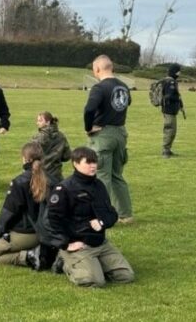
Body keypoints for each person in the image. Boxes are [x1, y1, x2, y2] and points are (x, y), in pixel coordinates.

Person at [46, 147, 135, 288]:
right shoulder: (64, 189)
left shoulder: (99, 186)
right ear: (75, 163)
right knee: (94, 281)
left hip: (100, 242)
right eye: (88, 162)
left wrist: (102, 222)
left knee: (125, 276)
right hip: (79, 245)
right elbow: (52, 220)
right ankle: (65, 262)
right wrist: (65, 244)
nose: (93, 166)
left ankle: (95, 264)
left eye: (94, 162)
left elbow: (112, 213)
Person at [84, 55, 133, 223]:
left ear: (97, 69)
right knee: (117, 176)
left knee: (102, 176)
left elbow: (89, 109)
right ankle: (126, 214)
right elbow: (127, 103)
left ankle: (102, 216)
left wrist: (88, 127)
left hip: (103, 134)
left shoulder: (99, 88)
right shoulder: (124, 86)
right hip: (120, 133)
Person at [0, 142, 49, 266]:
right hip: (47, 233)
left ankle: (28, 256)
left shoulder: (19, 182)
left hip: (28, 233)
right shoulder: (53, 180)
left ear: (25, 159)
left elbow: (8, 214)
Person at [31, 112, 71, 182]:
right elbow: (67, 156)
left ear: (48, 122)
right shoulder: (61, 136)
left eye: (40, 121)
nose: (37, 123)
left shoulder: (37, 138)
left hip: (41, 176)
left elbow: (30, 155)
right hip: (57, 176)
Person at [159, 63, 183, 158]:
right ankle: (166, 150)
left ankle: (168, 149)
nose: (179, 73)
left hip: (170, 109)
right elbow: (170, 96)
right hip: (169, 110)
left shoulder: (168, 81)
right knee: (170, 129)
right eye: (178, 71)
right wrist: (177, 98)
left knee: (172, 130)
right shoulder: (171, 82)